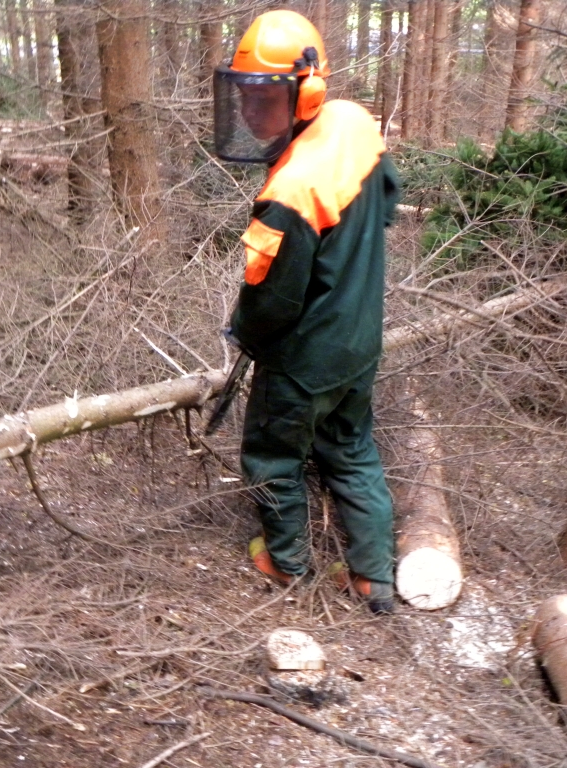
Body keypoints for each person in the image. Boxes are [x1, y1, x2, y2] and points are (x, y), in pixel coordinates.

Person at [212, 10, 401, 613]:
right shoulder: (355, 126)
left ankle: (286, 561)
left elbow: (273, 301)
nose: (251, 111)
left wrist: (245, 332)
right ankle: (374, 577)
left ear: (307, 93)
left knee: (272, 455)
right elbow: (388, 201)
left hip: (304, 359)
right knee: (351, 449)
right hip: (360, 340)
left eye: (265, 98)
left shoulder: (290, 193)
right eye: (245, 95)